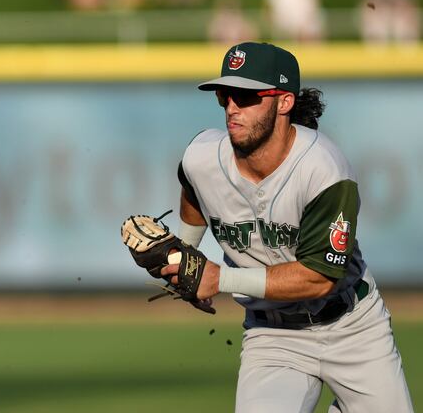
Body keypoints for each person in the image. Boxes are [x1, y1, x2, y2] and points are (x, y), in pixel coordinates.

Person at [164, 42, 413, 412]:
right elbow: (193, 187)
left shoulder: (323, 169)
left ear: (283, 102)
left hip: (353, 327)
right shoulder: (202, 157)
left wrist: (219, 279)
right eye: (225, 95)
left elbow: (319, 276)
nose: (232, 107)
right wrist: (186, 255)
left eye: (247, 96)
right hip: (273, 335)